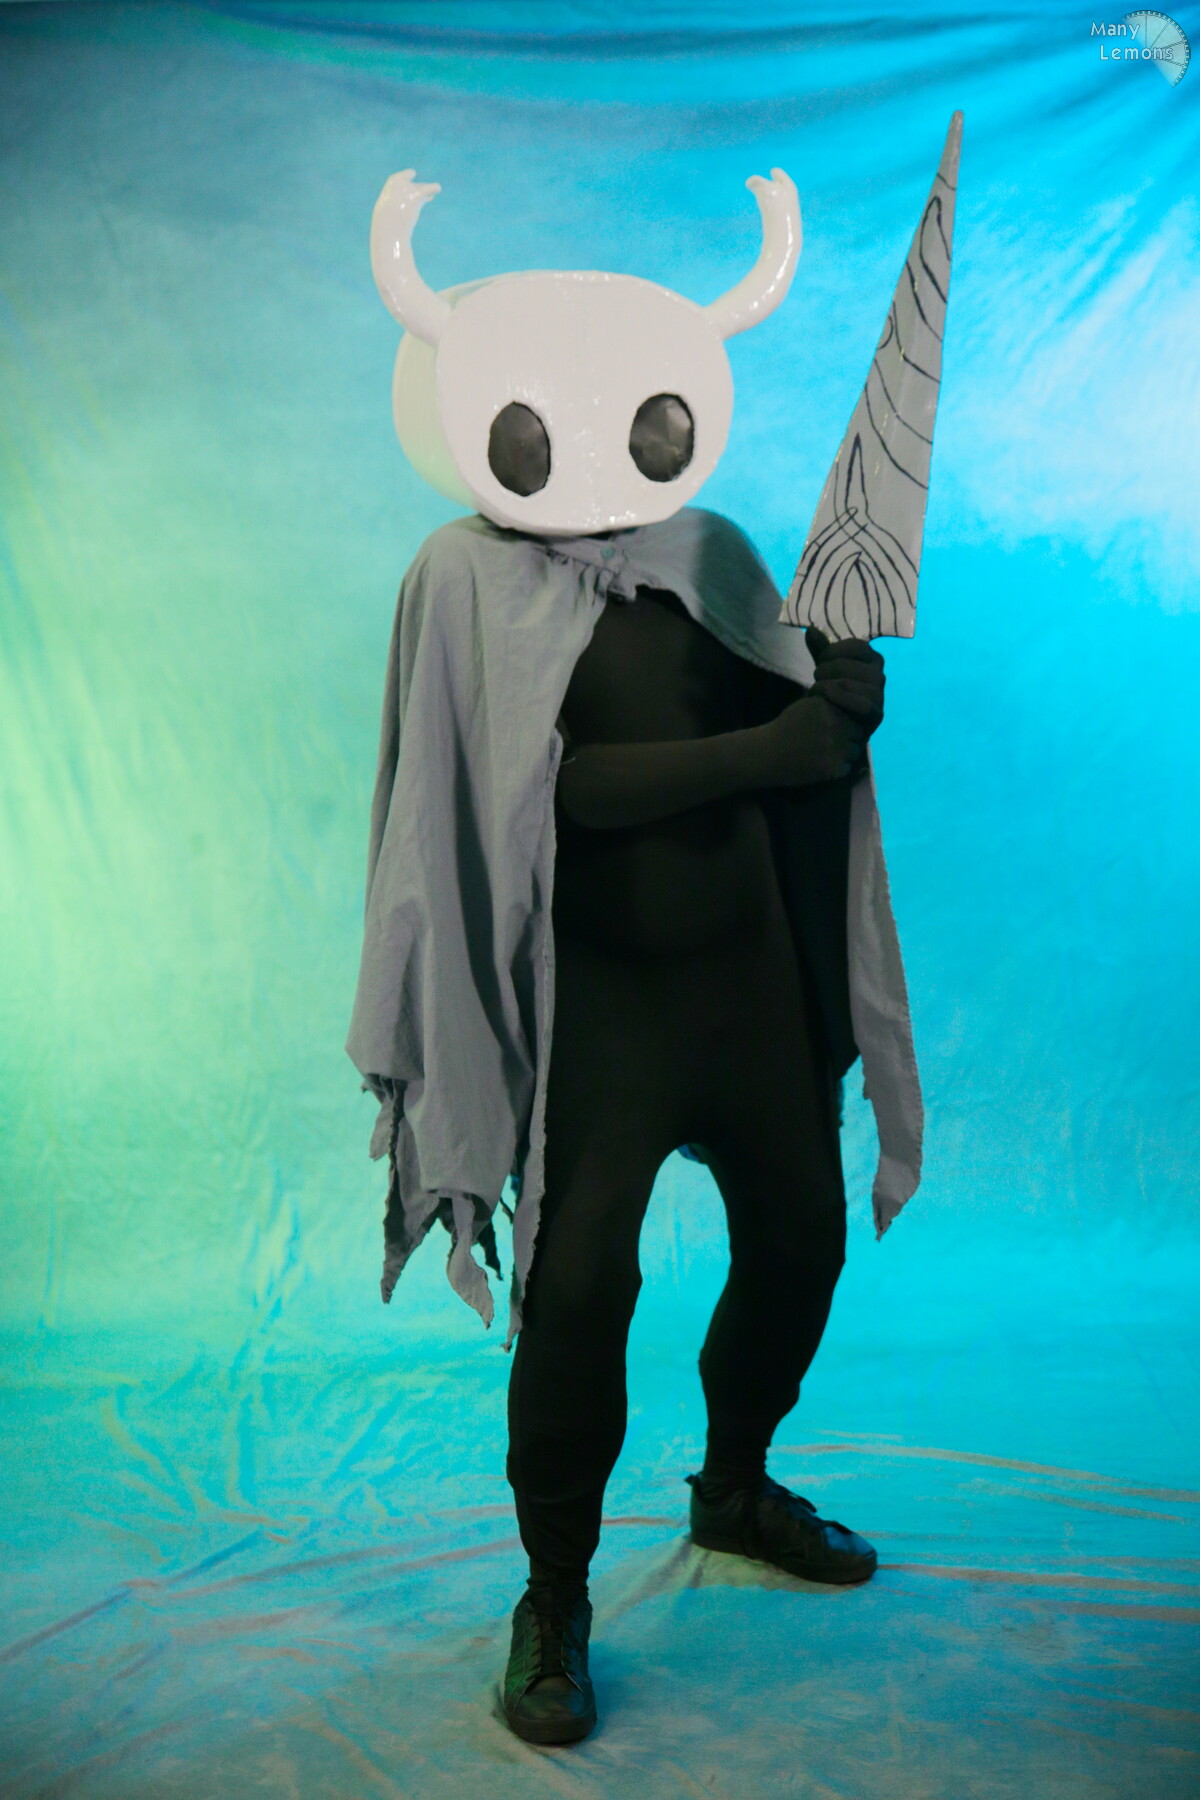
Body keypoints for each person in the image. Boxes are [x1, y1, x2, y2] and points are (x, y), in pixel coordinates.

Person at [348, 169, 923, 1747]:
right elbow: (541, 796)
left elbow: (798, 740)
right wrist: (776, 752)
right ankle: (554, 1593)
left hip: (747, 988)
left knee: (801, 1242)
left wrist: (840, 705)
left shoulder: (711, 549)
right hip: (599, 1014)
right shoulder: (461, 582)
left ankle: (734, 1485)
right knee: (581, 1285)